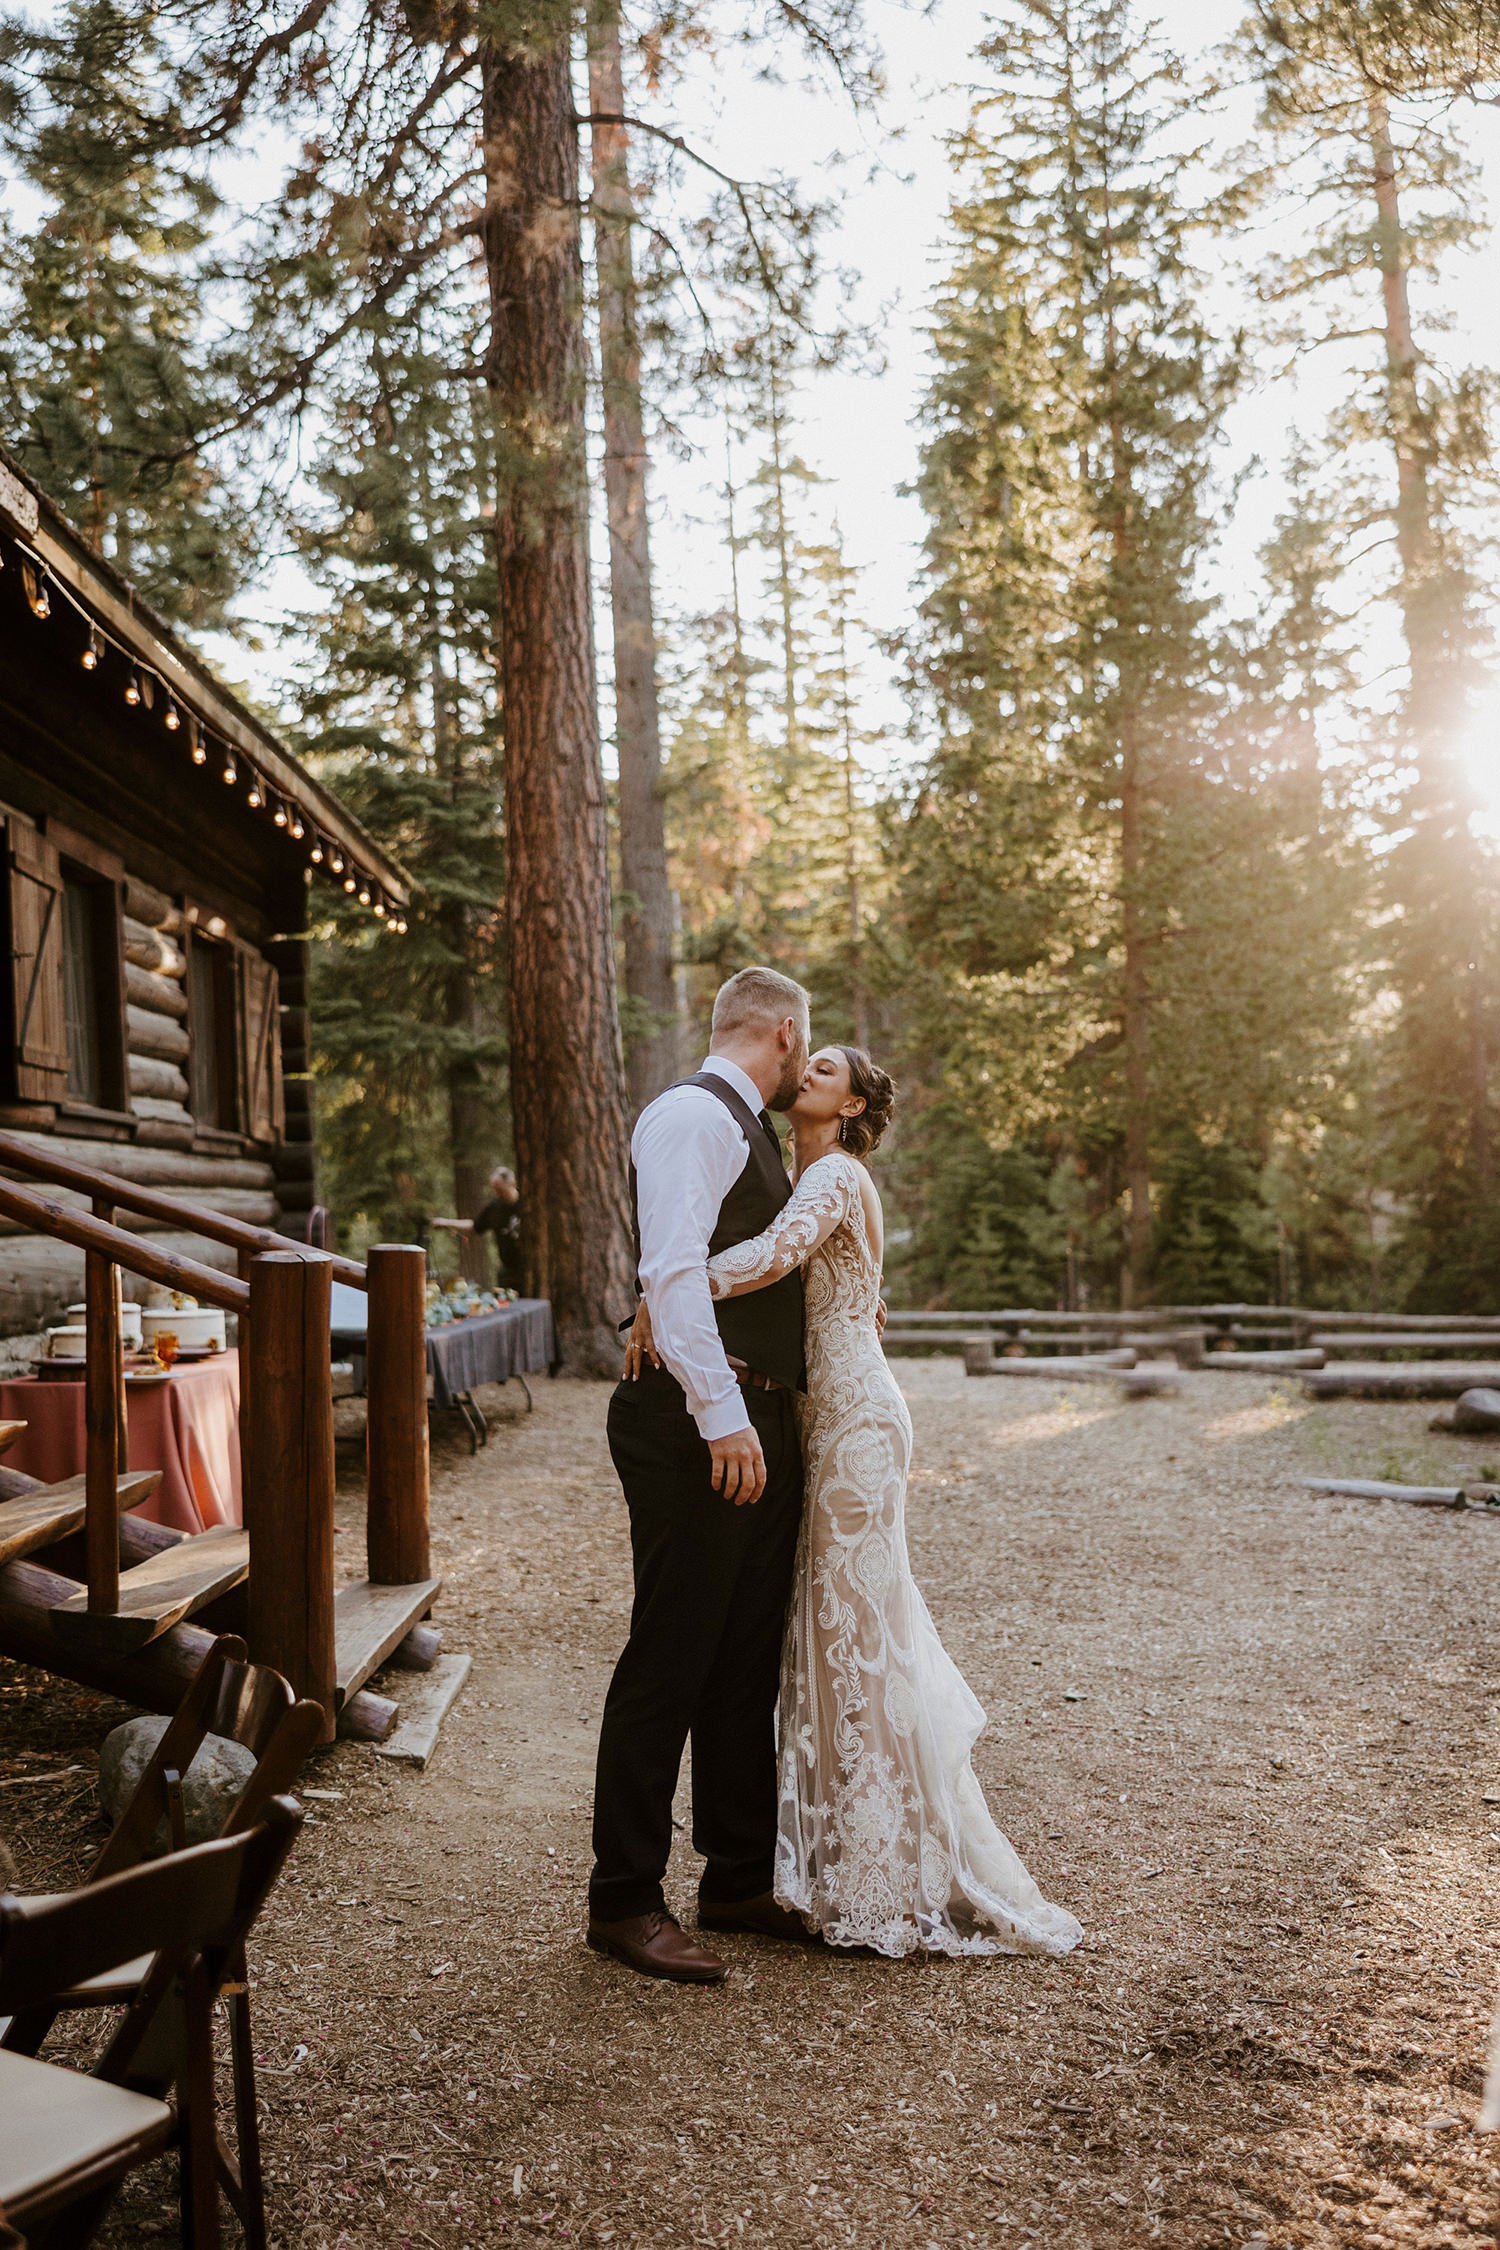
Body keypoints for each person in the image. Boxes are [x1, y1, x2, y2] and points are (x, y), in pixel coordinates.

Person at [625, 1044, 1082, 1961]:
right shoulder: (805, 1171)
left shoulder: (832, 1173)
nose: (808, 1069)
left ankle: (887, 1870)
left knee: (856, 1632)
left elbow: (772, 1257)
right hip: (819, 1420)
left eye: (828, 1067)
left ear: (853, 1104)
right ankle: (838, 1856)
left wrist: (665, 1289)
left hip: (857, 1429)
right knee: (826, 1632)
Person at [587, 966, 815, 1985]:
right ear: (781, 1030)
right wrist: (722, 1417)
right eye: (802, 1046)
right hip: (696, 1423)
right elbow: (672, 1273)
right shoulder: (692, 1115)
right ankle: (623, 1900)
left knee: (742, 1657)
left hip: (754, 1410)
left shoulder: (749, 1127)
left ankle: (735, 1874)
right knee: (671, 1656)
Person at [431, 1166, 524, 1292]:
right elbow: (474, 1226)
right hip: (508, 1272)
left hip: (528, 1270)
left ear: (512, 1184)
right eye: (495, 1190)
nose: (497, 1194)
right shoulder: (494, 1208)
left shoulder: (527, 1204)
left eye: (500, 1190)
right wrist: (446, 1222)